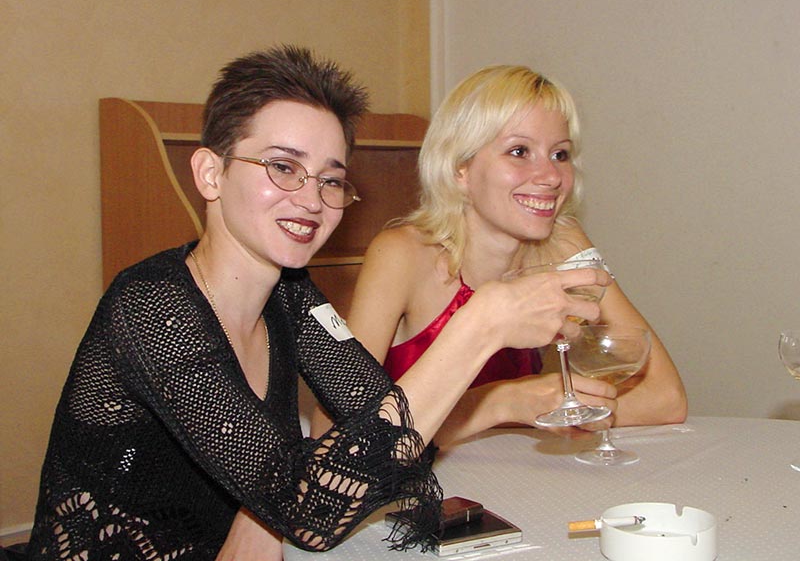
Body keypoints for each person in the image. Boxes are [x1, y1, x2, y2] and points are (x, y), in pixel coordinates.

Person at [26, 48, 611, 561]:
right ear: (210, 173)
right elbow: (310, 514)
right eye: (283, 167)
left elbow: (379, 425)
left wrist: (259, 513)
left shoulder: (290, 294)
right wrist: (480, 325)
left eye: (330, 179)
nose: (312, 200)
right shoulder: (154, 307)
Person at [319, 64, 687, 447]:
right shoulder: (403, 254)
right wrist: (500, 404)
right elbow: (332, 433)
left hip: (504, 468)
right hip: (402, 477)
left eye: (560, 154)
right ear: (460, 168)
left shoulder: (564, 243)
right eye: (519, 151)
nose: (551, 176)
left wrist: (558, 409)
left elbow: (666, 398)